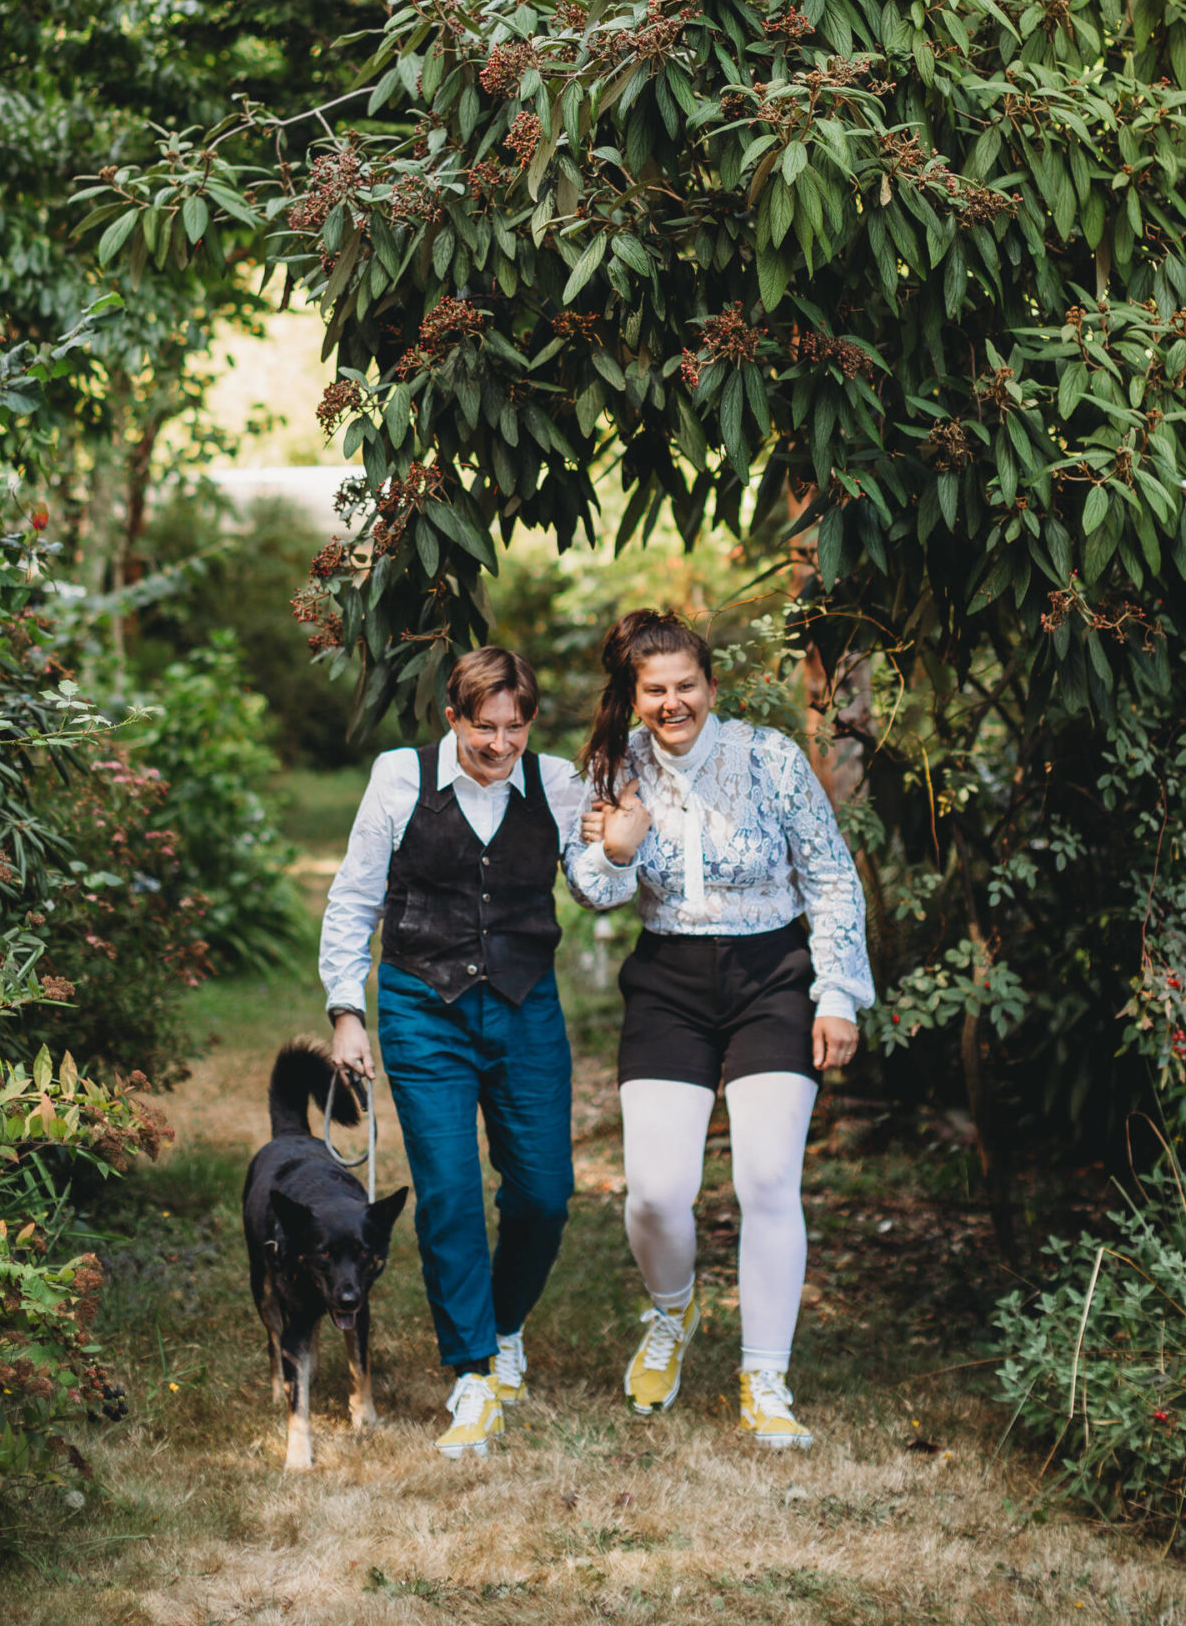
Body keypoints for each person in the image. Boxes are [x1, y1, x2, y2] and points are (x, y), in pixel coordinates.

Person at [564, 609, 873, 1449]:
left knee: (767, 1181)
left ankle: (764, 1379)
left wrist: (838, 992)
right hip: (667, 982)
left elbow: (832, 877)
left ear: (710, 685)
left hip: (773, 977)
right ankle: (673, 1312)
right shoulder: (613, 767)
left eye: (685, 686)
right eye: (654, 690)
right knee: (655, 1197)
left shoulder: (768, 757)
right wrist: (618, 850)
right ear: (634, 696)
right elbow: (592, 894)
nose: (672, 703)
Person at [320, 645, 583, 1459]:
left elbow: (600, 886)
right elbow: (355, 895)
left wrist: (620, 845)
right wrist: (345, 1010)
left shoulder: (558, 783)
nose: (499, 745)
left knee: (544, 1194)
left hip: (524, 1002)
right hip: (420, 1003)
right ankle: (472, 1371)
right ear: (452, 719)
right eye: (482, 729)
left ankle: (502, 1323)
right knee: (449, 1194)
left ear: (529, 722)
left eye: (514, 728)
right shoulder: (400, 777)